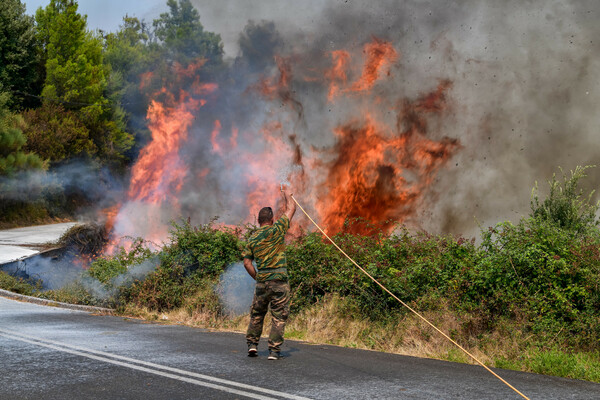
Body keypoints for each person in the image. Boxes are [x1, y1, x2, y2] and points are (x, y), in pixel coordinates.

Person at [242, 185, 296, 360]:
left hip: (262, 281)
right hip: (279, 281)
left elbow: (247, 263)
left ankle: (252, 345)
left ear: (259, 221)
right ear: (272, 220)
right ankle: (273, 351)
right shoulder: (277, 229)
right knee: (279, 317)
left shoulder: (253, 238)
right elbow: (291, 208)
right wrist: (287, 193)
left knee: (257, 314)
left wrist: (257, 276)